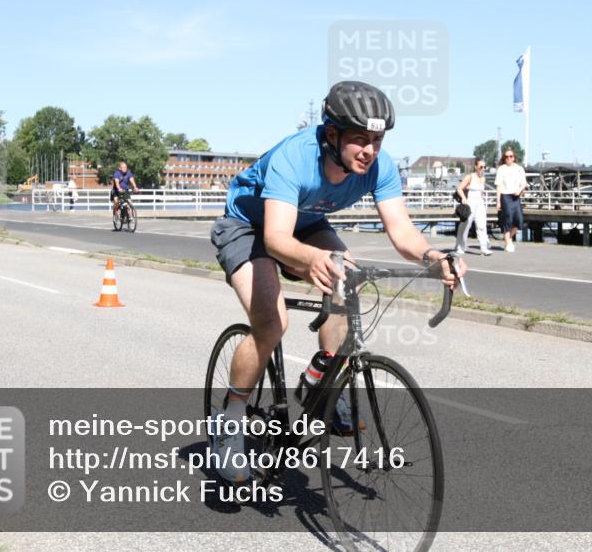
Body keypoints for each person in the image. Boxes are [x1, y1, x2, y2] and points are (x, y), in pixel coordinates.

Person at [209, 80, 466, 483]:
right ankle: (230, 423)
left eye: (377, 140)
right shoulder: (295, 157)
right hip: (247, 227)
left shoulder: (379, 167)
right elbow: (276, 239)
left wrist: (433, 257)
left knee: (349, 279)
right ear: (332, 134)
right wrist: (312, 258)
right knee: (271, 323)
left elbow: (401, 230)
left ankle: (320, 379)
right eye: (360, 140)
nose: (370, 151)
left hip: (307, 223)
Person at [454, 158, 492, 256]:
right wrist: (463, 198)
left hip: (480, 203)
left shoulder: (483, 178)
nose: (482, 169)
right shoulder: (470, 176)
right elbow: (459, 188)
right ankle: (460, 247)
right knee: (466, 225)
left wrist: (483, 201)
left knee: (482, 225)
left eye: (484, 167)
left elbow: (481, 193)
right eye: (481, 167)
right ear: (475, 167)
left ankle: (484, 248)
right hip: (470, 201)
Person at [494, 148, 527, 252]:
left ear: (514, 158)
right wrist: (498, 201)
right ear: (504, 158)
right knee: (507, 219)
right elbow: (498, 186)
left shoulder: (519, 168)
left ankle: (507, 239)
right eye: (506, 156)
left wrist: (519, 190)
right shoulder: (501, 169)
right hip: (505, 196)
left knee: (519, 220)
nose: (509, 158)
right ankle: (508, 243)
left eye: (511, 156)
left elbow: (524, 183)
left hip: (516, 196)